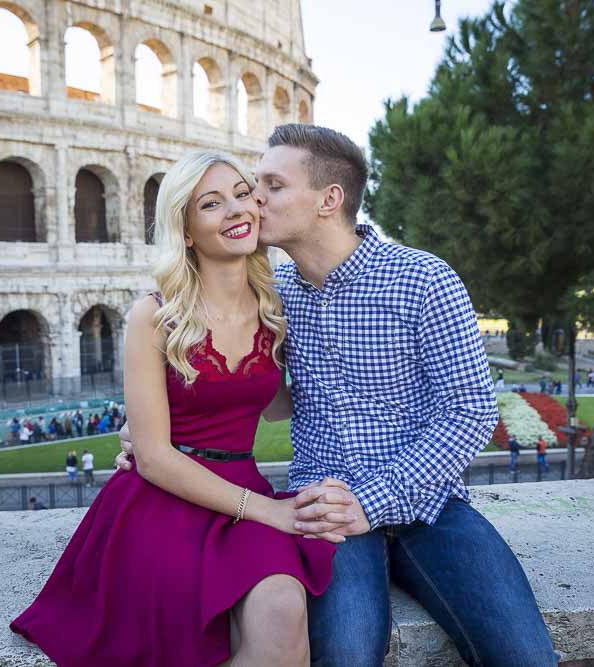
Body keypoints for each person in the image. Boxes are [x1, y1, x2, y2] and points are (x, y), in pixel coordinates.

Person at [118, 125, 557, 665]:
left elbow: (470, 411)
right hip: (322, 510)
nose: (254, 200)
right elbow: (221, 381)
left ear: (329, 199)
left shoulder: (424, 280)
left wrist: (369, 504)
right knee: (346, 656)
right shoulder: (270, 296)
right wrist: (150, 436)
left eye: (272, 185)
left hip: (430, 505)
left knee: (527, 657)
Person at [11, 151, 336, 666]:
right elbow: (156, 457)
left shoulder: (278, 305)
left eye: (240, 194)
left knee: (283, 615)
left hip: (241, 490)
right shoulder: (154, 314)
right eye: (211, 204)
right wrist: (269, 510)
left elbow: (279, 406)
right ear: (186, 231)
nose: (236, 210)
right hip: (161, 496)